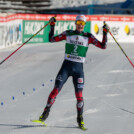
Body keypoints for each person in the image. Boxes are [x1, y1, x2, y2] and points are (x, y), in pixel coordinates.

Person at [39, 15, 109, 128]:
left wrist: (105, 32)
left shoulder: (88, 36)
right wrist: (52, 25)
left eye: (83, 23)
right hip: (66, 67)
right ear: (75, 23)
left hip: (78, 70)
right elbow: (51, 39)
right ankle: (45, 113)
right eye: (79, 22)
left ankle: (80, 118)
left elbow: (103, 46)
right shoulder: (68, 33)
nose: (80, 25)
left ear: (84, 25)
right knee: (56, 89)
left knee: (79, 95)